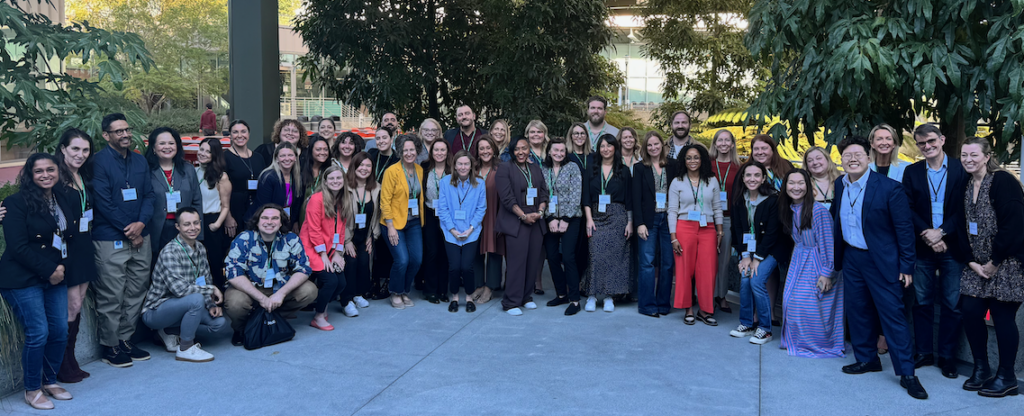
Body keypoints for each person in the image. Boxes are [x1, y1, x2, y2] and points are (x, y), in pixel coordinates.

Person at [833, 136, 924, 400]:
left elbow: (905, 231)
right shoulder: (841, 184)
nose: (852, 159)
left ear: (868, 157)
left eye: (857, 155)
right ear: (841, 160)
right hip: (852, 258)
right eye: (847, 155)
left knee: (892, 316)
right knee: (858, 311)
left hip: (881, 261)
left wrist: (906, 265)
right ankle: (867, 358)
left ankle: (907, 372)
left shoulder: (889, 188)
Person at [0, 153, 76, 410]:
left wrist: (62, 267)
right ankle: (32, 389)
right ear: (30, 175)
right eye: (39, 171)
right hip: (23, 277)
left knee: (60, 330)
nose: (46, 175)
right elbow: (18, 247)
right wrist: (50, 270)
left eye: (50, 169)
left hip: (56, 273)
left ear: (58, 171)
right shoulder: (15, 202)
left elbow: (68, 237)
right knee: (38, 332)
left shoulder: (63, 198)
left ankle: (49, 380)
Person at [956, 136, 1024, 397]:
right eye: (964, 155)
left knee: (1003, 316)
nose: (968, 160)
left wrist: (994, 262)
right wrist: (972, 262)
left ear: (986, 156)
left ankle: (1007, 376)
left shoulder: (1003, 182)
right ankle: (981, 368)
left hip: (1006, 264)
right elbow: (960, 225)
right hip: (976, 266)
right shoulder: (964, 184)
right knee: (971, 311)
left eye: (974, 155)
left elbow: (1014, 226)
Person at [902, 123, 969, 379]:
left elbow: (964, 209)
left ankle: (948, 357)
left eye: (931, 141)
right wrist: (929, 234)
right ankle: (923, 353)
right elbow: (907, 208)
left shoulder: (961, 169)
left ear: (941, 139)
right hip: (923, 246)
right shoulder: (912, 171)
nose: (927, 147)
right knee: (921, 302)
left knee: (952, 304)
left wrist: (941, 232)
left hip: (953, 246)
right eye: (921, 144)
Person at [92, 113, 156, 367]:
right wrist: (130, 230)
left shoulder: (140, 162)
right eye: (118, 131)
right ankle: (110, 345)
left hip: (142, 236)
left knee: (137, 290)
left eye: (127, 130)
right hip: (110, 238)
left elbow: (149, 196)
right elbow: (103, 201)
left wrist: (140, 225)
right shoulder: (98, 162)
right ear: (106, 136)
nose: (125, 134)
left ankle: (126, 339)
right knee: (112, 293)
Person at [224, 204, 316, 346]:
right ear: (257, 221)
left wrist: (282, 294)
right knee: (235, 302)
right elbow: (233, 272)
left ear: (281, 222)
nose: (269, 222)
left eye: (274, 218)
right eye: (265, 218)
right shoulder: (244, 239)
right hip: (249, 289)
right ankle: (241, 329)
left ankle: (272, 318)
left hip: (279, 288)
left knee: (309, 290)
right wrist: (261, 298)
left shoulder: (291, 239)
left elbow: (303, 268)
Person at [141, 207, 226, 362]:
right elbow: (180, 291)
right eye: (186, 224)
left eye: (195, 223)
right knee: (195, 299)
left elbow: (205, 279)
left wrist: (211, 304)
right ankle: (186, 347)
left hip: (183, 306)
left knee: (218, 322)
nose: (192, 228)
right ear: (178, 227)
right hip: (156, 310)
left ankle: (168, 331)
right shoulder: (170, 252)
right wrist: (212, 289)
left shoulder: (200, 247)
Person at [779, 169, 843, 358]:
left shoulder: (818, 211)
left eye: (801, 183)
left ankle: (816, 343)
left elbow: (828, 243)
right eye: (792, 183)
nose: (796, 187)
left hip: (817, 262)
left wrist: (826, 273)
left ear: (808, 186)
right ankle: (798, 340)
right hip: (799, 259)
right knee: (790, 301)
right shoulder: (790, 208)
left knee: (806, 303)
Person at [54, 129, 96, 383]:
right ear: (63, 149)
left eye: (85, 150)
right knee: (69, 305)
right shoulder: (55, 176)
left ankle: (70, 358)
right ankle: (60, 362)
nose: (80, 155)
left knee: (78, 303)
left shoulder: (82, 175)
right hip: (65, 248)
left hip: (84, 244)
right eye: (75, 149)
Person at [726, 161, 783, 342]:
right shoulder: (738, 199)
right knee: (744, 278)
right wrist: (744, 256)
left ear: (764, 178)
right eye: (748, 175)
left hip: (772, 249)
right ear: (742, 178)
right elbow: (737, 229)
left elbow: (773, 233)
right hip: (749, 251)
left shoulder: (773, 200)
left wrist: (756, 258)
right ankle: (747, 323)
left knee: (756, 280)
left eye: (757, 175)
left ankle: (765, 329)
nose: (752, 179)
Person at [669, 144, 724, 325]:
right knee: (685, 269)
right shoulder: (677, 181)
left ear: (702, 160)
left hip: (707, 228)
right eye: (689, 158)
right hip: (684, 227)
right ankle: (688, 309)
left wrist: (720, 230)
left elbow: (717, 207)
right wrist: (673, 237)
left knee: (708, 270)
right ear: (684, 161)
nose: (693, 161)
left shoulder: (712, 180)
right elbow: (672, 210)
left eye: (696, 157)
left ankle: (705, 310)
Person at [497, 135, 548, 316]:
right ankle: (511, 302)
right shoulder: (504, 168)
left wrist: (540, 212)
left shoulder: (535, 168)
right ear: (512, 151)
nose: (521, 152)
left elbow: (544, 192)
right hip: (516, 221)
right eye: (517, 149)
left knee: (532, 262)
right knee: (516, 263)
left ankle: (526, 297)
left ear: (529, 150)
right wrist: (523, 216)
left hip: (535, 220)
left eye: (524, 148)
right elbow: (507, 198)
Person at [583, 134, 632, 313]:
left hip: (618, 216)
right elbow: (586, 196)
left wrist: (630, 222)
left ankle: (610, 296)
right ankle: (592, 295)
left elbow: (629, 199)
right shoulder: (591, 169)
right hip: (595, 216)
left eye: (609, 146)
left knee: (614, 257)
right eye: (602, 146)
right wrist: (588, 218)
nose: (606, 149)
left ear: (615, 148)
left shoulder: (624, 171)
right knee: (595, 255)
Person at [300, 166, 352, 331]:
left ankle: (323, 307)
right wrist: (323, 255)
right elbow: (313, 230)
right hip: (312, 248)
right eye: (332, 178)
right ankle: (318, 316)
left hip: (329, 249)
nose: (335, 181)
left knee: (341, 283)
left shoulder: (343, 200)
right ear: (325, 181)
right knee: (331, 281)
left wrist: (337, 253)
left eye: (339, 178)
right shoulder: (316, 199)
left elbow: (341, 231)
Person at [436, 151, 487, 312]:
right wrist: (452, 230)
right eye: (460, 164)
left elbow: (481, 208)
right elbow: (442, 208)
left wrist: (471, 228)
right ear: (454, 165)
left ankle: (469, 297)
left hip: (472, 231)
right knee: (454, 267)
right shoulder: (445, 182)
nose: (463, 167)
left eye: (466, 164)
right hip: (450, 231)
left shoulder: (479, 183)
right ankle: (455, 297)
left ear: (471, 165)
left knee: (467, 266)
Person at [632, 131, 676, 318]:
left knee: (668, 262)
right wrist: (639, 223)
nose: (653, 148)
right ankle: (647, 305)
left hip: (669, 219)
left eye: (656, 144)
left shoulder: (674, 165)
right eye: (649, 145)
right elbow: (636, 198)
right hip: (649, 220)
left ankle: (663, 303)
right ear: (645, 148)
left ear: (662, 145)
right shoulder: (640, 168)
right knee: (647, 263)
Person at [380, 134, 425, 309]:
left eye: (411, 150)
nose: (408, 153)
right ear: (400, 152)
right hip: (393, 223)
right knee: (402, 260)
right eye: (405, 150)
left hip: (413, 221)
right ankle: (395, 292)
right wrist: (390, 226)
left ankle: (404, 290)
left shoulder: (419, 170)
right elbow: (385, 200)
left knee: (416, 259)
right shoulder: (392, 171)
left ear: (417, 151)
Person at [541, 137, 584, 315]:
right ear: (549, 151)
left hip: (571, 218)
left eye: (562, 151)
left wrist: (565, 219)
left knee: (568, 257)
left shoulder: (572, 167)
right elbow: (542, 194)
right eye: (555, 150)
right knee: (551, 257)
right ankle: (561, 294)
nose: (559, 153)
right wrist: (550, 218)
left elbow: (576, 194)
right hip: (550, 219)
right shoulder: (543, 169)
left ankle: (574, 300)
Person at [145, 127, 204, 256]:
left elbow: (197, 201)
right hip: (156, 229)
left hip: (185, 227)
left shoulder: (188, 169)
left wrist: (199, 232)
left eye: (171, 143)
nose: (167, 147)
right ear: (153, 148)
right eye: (162, 143)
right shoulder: (146, 170)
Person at [340, 153, 380, 316]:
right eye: (360, 165)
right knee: (351, 262)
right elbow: (339, 216)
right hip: (348, 235)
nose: (364, 169)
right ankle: (346, 300)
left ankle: (358, 294)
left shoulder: (377, 187)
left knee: (364, 262)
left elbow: (378, 214)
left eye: (368, 166)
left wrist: (373, 236)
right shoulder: (344, 187)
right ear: (354, 167)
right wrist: (346, 240)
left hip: (365, 234)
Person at [470, 136, 505, 304]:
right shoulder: (472, 169)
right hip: (474, 217)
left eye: (488, 148)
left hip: (494, 214)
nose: (485, 151)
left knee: (493, 251)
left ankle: (490, 287)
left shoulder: (501, 169)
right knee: (475, 251)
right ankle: (478, 285)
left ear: (494, 150)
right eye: (481, 148)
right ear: (477, 151)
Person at [710, 129, 741, 313]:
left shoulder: (739, 167)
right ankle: (705, 294)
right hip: (708, 218)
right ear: (714, 144)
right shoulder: (706, 165)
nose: (722, 143)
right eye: (719, 140)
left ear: (732, 144)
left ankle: (721, 295)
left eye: (726, 140)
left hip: (728, 218)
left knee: (723, 259)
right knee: (706, 258)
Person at [367, 126, 398, 300]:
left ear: (392, 138)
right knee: (372, 244)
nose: (381, 141)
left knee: (385, 246)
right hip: (370, 205)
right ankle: (373, 280)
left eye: (384, 138)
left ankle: (386, 281)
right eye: (378, 138)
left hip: (387, 207)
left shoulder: (396, 160)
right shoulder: (371, 155)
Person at [196, 138, 232, 289]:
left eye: (208, 151)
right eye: (201, 149)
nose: (202, 154)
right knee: (197, 260)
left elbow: (225, 206)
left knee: (214, 261)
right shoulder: (193, 171)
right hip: (195, 221)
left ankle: (218, 294)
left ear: (214, 155)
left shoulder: (221, 176)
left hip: (212, 220)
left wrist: (216, 225)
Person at [222, 120, 268, 238]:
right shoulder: (224, 157)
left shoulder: (258, 157)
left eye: (243, 131)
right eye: (235, 132)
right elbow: (220, 192)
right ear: (230, 135)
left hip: (255, 209)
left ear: (248, 134)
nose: (240, 135)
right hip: (234, 209)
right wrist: (228, 217)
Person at [420, 139, 452, 303]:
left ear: (447, 152)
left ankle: (442, 290)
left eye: (442, 150)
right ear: (431, 152)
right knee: (432, 252)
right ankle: (430, 290)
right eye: (436, 150)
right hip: (430, 213)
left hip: (449, 215)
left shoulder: (452, 169)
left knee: (445, 253)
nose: (439, 153)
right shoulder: (424, 169)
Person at [246, 142, 304, 228]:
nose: (287, 159)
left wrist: (294, 222)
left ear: (295, 158)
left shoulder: (297, 178)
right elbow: (264, 207)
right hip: (265, 224)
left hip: (284, 223)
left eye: (290, 155)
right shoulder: (268, 177)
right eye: (282, 156)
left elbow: (296, 204)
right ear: (276, 158)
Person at [301, 136, 332, 201]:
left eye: (325, 149)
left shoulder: (330, 170)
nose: (323, 152)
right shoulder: (301, 169)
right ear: (311, 150)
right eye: (318, 149)